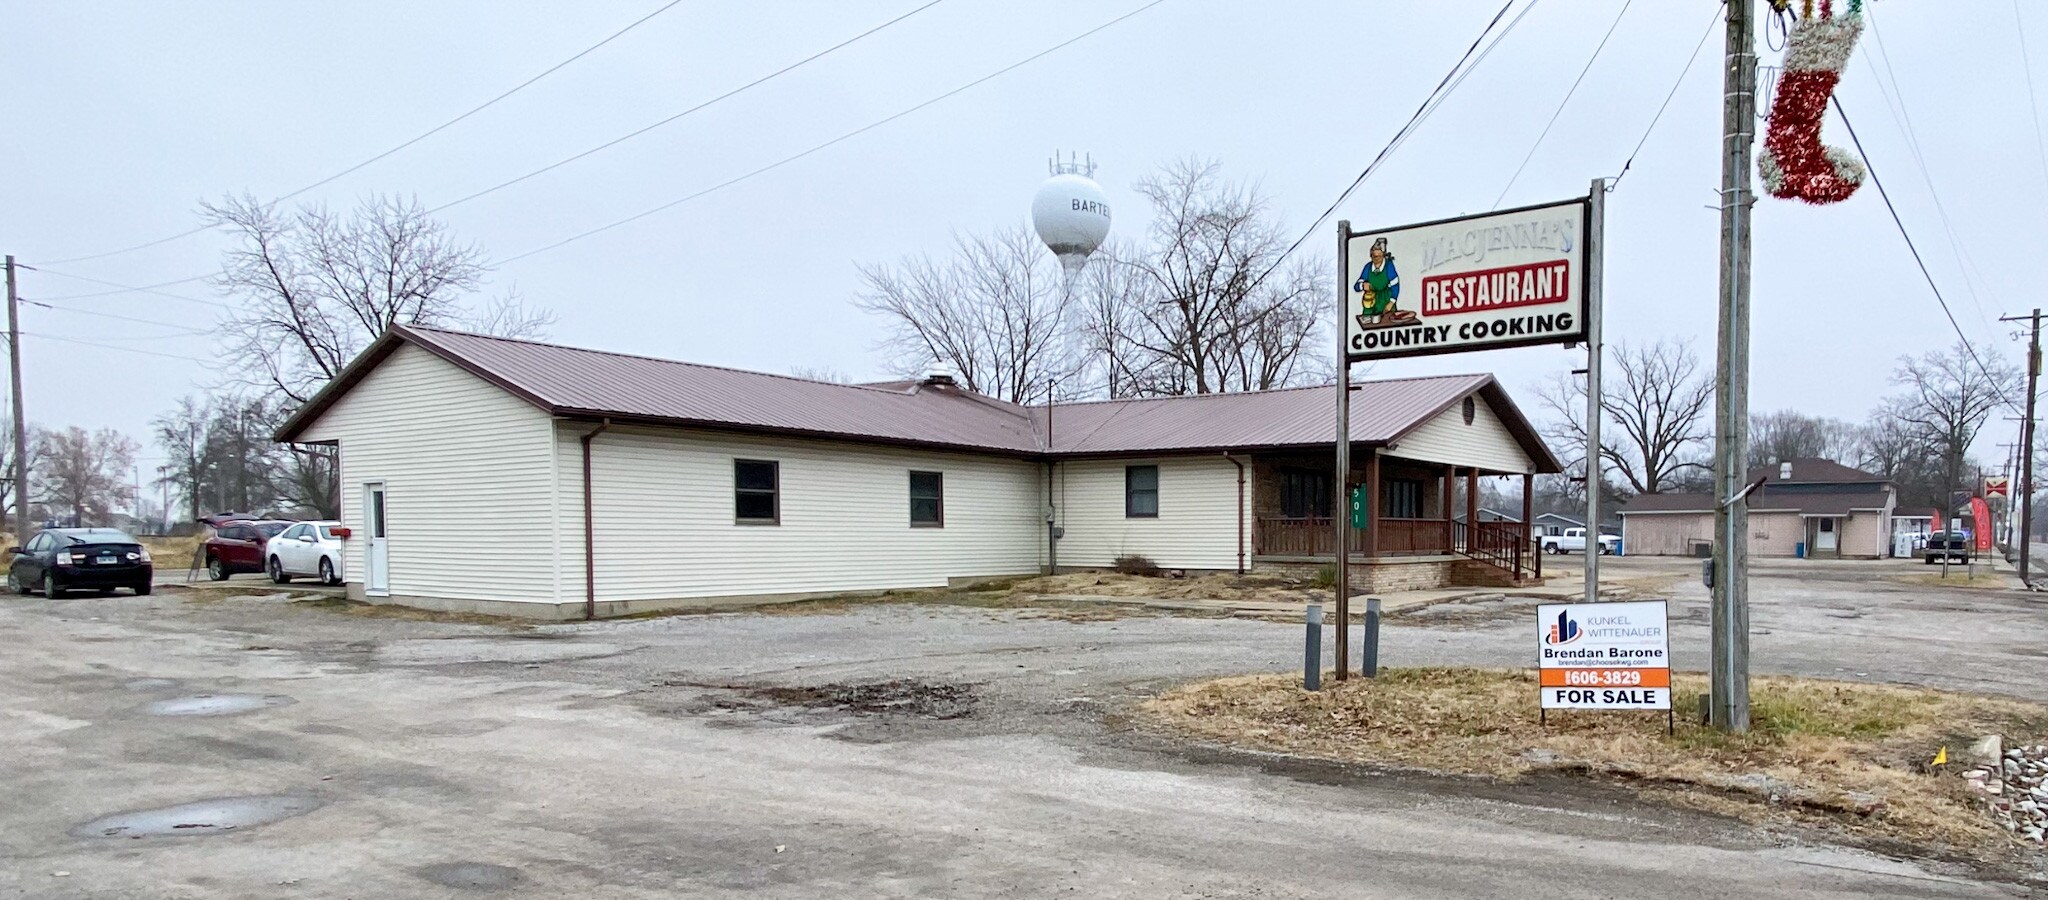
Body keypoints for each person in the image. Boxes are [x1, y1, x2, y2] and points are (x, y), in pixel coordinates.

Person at [1353, 237, 1414, 329]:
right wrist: (1362, 285)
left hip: (1386, 299)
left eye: (1379, 256)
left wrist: (1391, 302)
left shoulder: (1389, 266)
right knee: (1366, 326)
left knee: (1389, 325)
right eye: (1374, 256)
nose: (1376, 259)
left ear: (1383, 255)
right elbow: (1356, 286)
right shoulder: (1368, 267)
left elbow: (1395, 285)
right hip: (1371, 301)